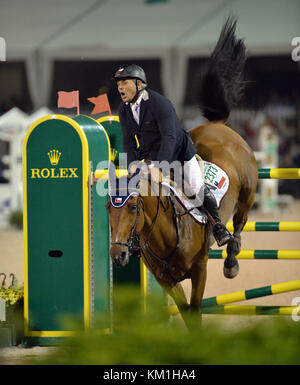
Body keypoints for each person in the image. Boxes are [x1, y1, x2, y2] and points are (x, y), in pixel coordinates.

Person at [113, 63, 232, 247]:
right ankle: (136, 239)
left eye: (125, 82)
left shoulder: (160, 103)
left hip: (179, 153)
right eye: (118, 83)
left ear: (139, 84)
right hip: (150, 156)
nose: (120, 87)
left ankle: (218, 226)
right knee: (136, 194)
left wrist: (161, 169)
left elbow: (169, 137)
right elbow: (128, 141)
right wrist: (132, 164)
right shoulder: (123, 109)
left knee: (196, 188)